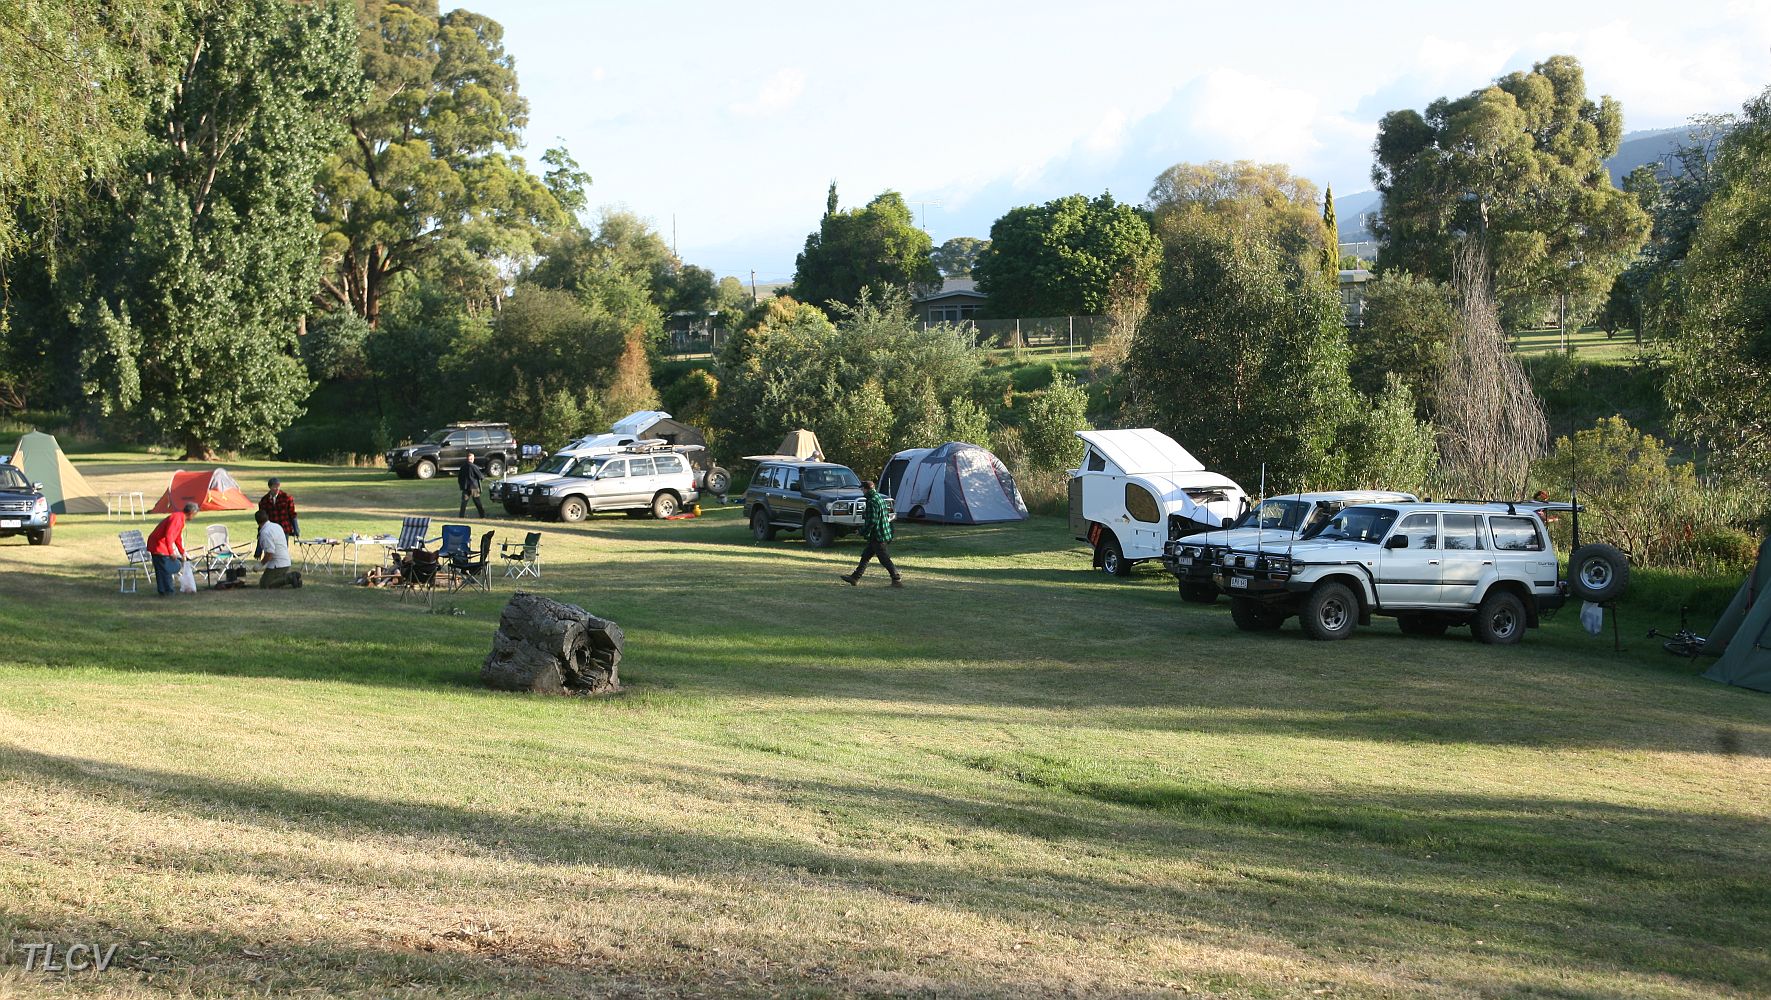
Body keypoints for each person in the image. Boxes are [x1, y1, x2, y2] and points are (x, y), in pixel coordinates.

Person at [840, 479, 901, 587]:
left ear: (866, 489)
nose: (862, 492)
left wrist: (862, 531)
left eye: (862, 489)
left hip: (878, 535)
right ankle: (854, 578)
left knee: (884, 559)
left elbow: (872, 521)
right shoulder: (879, 498)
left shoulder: (871, 501)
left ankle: (896, 579)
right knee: (866, 556)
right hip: (882, 532)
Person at [147, 501, 199, 596]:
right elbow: (169, 535)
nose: (194, 517)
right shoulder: (177, 518)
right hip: (158, 545)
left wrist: (182, 551)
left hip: (159, 543)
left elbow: (177, 537)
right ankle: (167, 591)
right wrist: (171, 552)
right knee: (165, 568)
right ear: (191, 513)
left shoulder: (180, 519)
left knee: (161, 568)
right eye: (194, 515)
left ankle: (163, 591)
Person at [255, 510, 301, 588]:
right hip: (285, 561)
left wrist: (259, 565)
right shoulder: (276, 526)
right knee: (268, 580)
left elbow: (269, 554)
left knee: (264, 584)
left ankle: (290, 578)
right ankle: (292, 579)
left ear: (257, 522)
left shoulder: (265, 533)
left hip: (277, 564)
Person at [458, 450, 486, 517]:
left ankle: (461, 515)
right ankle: (482, 515)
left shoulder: (462, 467)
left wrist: (461, 486)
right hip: (474, 487)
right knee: (477, 501)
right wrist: (483, 478)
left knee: (464, 502)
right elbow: (480, 476)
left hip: (465, 487)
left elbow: (459, 478)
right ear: (472, 459)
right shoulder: (474, 467)